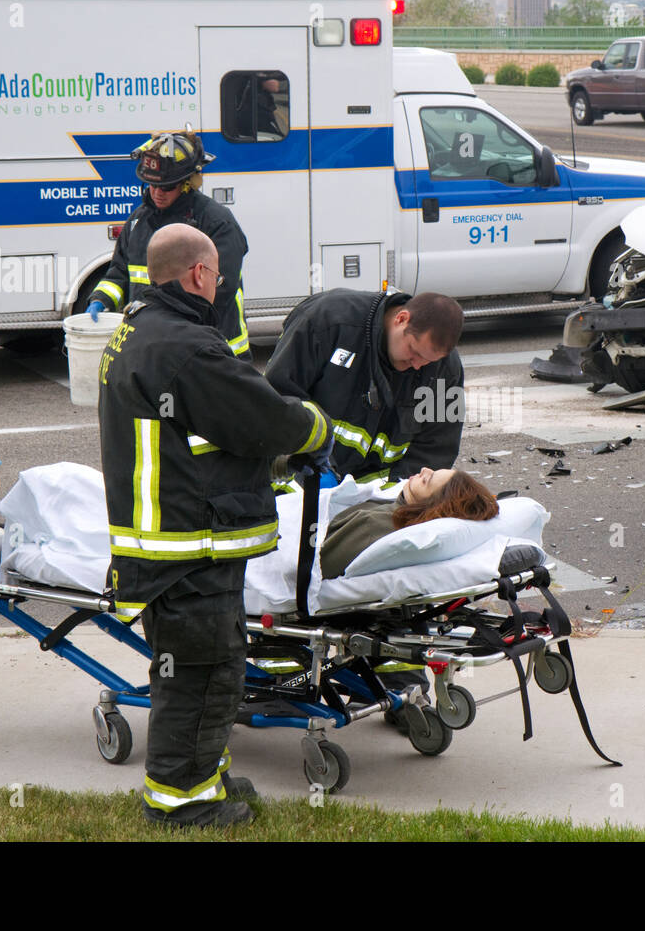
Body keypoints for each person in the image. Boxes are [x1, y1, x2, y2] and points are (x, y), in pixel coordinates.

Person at [98, 222, 330, 828]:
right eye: (218, 276)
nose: (221, 286)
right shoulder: (187, 347)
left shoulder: (136, 331)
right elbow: (262, 418)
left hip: (169, 544)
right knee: (200, 677)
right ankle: (181, 802)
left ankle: (206, 773)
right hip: (187, 547)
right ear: (200, 274)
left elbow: (197, 429)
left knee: (206, 670)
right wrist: (312, 426)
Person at [266, 289, 466, 487]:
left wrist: (401, 497)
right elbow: (279, 398)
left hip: (379, 499)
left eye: (428, 361)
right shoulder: (327, 319)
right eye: (413, 351)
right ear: (401, 319)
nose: (417, 365)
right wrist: (310, 466)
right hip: (302, 482)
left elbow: (437, 447)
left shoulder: (447, 370)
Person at [84, 126, 252, 357]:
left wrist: (170, 325)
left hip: (214, 349)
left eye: (167, 187)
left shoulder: (216, 223)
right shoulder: (138, 222)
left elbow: (220, 289)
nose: (157, 193)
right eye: (152, 185)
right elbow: (120, 272)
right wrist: (101, 298)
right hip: (157, 346)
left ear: (187, 183)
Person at [320, 468, 497, 580]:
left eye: (426, 480)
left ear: (430, 506)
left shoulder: (372, 524)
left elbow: (314, 568)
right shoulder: (397, 517)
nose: (424, 469)